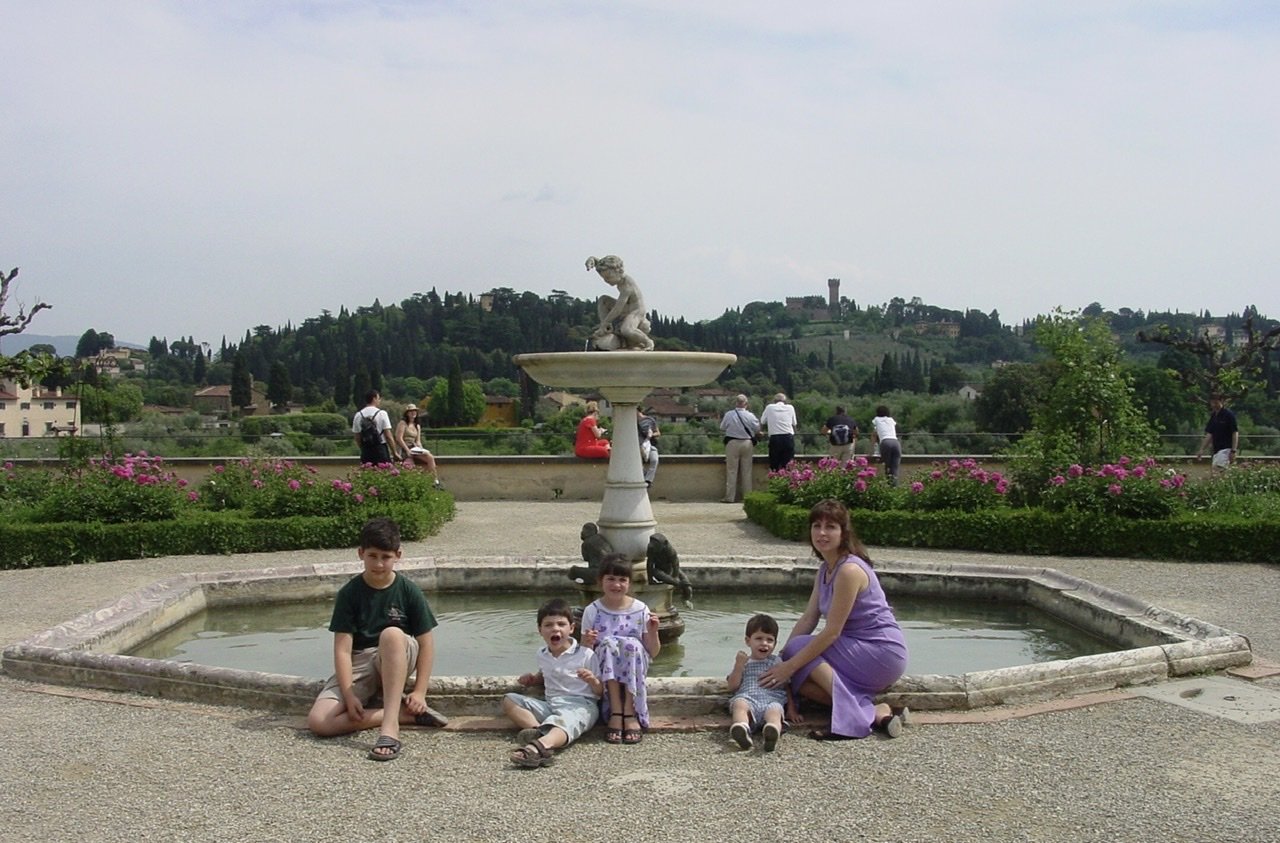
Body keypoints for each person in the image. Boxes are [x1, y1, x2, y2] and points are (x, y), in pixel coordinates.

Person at [760, 499, 908, 740]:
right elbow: (809, 618)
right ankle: (875, 712)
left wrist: (789, 663)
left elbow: (832, 632)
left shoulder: (849, 570)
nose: (822, 533)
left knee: (798, 650)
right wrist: (781, 658)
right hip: (855, 649)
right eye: (816, 526)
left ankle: (852, 722)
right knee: (800, 682)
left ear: (843, 533)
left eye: (830, 527)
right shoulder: (825, 570)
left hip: (881, 651)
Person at [306, 517, 448, 761]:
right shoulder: (349, 593)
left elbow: (426, 644)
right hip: (361, 660)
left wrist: (420, 691)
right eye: (372, 556)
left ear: (398, 556)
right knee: (319, 721)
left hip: (397, 653)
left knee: (391, 634)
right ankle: (401, 715)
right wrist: (349, 695)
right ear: (361, 553)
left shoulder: (408, 590)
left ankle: (390, 730)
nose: (379, 564)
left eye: (385, 557)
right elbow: (342, 650)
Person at [502, 598, 603, 768]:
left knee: (565, 722)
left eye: (561, 624)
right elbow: (545, 674)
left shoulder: (586, 654)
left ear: (571, 628)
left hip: (580, 706)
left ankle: (536, 747)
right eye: (548, 625)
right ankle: (538, 731)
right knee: (509, 700)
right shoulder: (542, 654)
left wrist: (592, 680)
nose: (555, 629)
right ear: (540, 630)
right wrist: (533, 679)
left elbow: (600, 691)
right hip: (551, 704)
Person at [580, 554, 661, 744]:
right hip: (606, 663)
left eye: (622, 579)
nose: (616, 585)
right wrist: (588, 641)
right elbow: (585, 652)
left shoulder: (640, 609)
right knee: (609, 644)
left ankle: (629, 711)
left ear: (629, 583)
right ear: (601, 581)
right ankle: (616, 710)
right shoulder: (592, 610)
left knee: (631, 645)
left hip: (634, 661)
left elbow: (653, 652)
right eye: (611, 579)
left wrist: (653, 632)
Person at [725, 613, 799, 752]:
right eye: (759, 638)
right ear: (748, 641)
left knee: (775, 711)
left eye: (769, 640)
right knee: (739, 705)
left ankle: (772, 731)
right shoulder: (744, 662)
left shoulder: (777, 662)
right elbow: (732, 686)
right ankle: (742, 728)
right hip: (748, 698)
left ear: (775, 644)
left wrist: (791, 709)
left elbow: (786, 686)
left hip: (771, 699)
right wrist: (738, 666)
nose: (764, 643)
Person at [586, 255, 655, 351]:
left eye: (608, 277)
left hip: (636, 311)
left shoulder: (627, 286)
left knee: (627, 330)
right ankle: (606, 329)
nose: (606, 281)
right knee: (603, 300)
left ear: (619, 271)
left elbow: (618, 308)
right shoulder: (617, 275)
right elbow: (605, 264)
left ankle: (647, 342)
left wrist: (607, 321)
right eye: (604, 278)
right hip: (627, 307)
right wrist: (592, 260)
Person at [719, 394, 760, 503]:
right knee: (747, 471)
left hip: (732, 442)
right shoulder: (750, 416)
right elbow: (757, 428)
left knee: (731, 471)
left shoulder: (729, 414)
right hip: (747, 443)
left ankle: (730, 497)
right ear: (746, 404)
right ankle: (747, 497)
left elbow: (722, 427)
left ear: (736, 403)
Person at [394, 404, 443, 489]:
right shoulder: (403, 423)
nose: (413, 413)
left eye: (415, 411)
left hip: (414, 448)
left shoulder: (417, 426)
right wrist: (407, 450)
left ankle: (434, 481)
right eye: (411, 411)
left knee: (430, 457)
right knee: (409, 466)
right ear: (407, 413)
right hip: (404, 447)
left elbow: (418, 441)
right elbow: (399, 438)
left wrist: (421, 450)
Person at [1195, 394, 1239, 470]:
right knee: (1216, 471)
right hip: (1216, 450)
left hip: (1226, 449)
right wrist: (1202, 449)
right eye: (1212, 403)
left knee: (1219, 470)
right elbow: (1209, 434)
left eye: (1216, 403)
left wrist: (1233, 450)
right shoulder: (1213, 416)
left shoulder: (1228, 415)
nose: (1214, 405)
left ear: (1222, 401)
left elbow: (1235, 433)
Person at [352, 390, 395, 466]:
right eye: (378, 398)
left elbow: (357, 437)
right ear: (374, 399)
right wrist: (394, 452)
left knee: (367, 471)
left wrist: (362, 448)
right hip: (380, 448)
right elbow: (388, 436)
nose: (379, 400)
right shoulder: (382, 413)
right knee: (383, 471)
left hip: (366, 449)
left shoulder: (358, 415)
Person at [760, 393, 798, 472]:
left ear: (774, 401)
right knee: (788, 466)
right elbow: (794, 423)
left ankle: (775, 478)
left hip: (775, 438)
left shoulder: (769, 407)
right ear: (785, 401)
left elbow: (762, 421)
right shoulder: (790, 408)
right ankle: (787, 479)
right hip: (788, 438)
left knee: (774, 465)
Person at [869, 405, 902, 485]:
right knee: (895, 469)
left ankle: (888, 486)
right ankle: (895, 487)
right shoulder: (891, 420)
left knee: (887, 467)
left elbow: (874, 435)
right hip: (896, 443)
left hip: (885, 442)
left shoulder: (876, 420)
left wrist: (871, 450)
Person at [637, 407, 660, 486]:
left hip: (650, 445)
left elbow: (658, 433)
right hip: (638, 447)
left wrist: (651, 435)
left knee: (654, 460)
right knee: (637, 463)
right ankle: (645, 478)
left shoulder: (650, 420)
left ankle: (648, 480)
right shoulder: (632, 422)